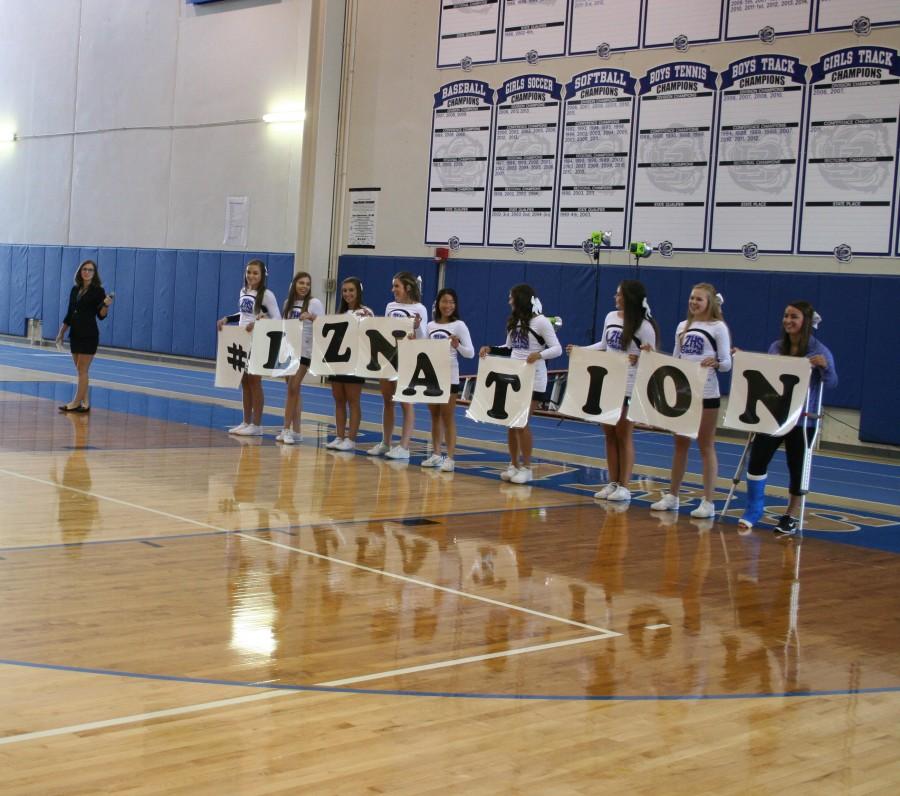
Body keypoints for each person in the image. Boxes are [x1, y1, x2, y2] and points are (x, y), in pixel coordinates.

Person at [739, 301, 837, 535]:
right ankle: (754, 508)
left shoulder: (819, 351)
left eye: (794, 317)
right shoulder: (776, 347)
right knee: (757, 459)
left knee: (797, 467)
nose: (788, 321)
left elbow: (832, 383)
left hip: (803, 420)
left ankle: (790, 516)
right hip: (774, 416)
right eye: (785, 316)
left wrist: (825, 368)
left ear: (805, 322)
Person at [570, 279, 658, 502]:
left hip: (629, 385)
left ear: (629, 297)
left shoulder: (645, 326)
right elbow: (603, 345)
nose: (615, 298)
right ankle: (613, 481)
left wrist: (640, 357)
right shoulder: (610, 317)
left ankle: (625, 486)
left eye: (619, 294)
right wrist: (580, 351)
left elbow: (651, 358)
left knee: (624, 434)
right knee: (609, 434)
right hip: (608, 383)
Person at [650, 284, 732, 518]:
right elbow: (676, 360)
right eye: (691, 298)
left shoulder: (718, 328)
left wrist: (715, 362)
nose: (694, 302)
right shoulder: (682, 327)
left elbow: (727, 364)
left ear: (710, 303)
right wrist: (651, 355)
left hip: (707, 393)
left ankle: (708, 501)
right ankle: (673, 495)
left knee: (706, 446)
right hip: (684, 394)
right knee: (680, 445)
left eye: (699, 299)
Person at [479, 283, 562, 485]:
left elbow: (557, 349)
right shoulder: (514, 322)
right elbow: (509, 348)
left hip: (534, 379)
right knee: (511, 422)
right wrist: (489, 349)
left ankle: (527, 467)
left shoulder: (541, 322)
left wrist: (539, 355)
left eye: (511, 298)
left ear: (521, 299)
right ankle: (514, 464)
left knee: (521, 422)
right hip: (515, 378)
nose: (509, 301)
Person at [368, 271, 428, 460]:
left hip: (408, 360)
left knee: (406, 402)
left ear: (407, 288)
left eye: (396, 286)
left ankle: (404, 446)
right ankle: (386, 442)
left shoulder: (420, 308)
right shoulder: (390, 306)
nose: (393, 290)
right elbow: (385, 330)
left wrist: (417, 327)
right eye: (393, 286)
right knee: (388, 401)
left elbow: (423, 338)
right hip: (389, 358)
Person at [217, 259, 280, 436]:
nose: (251, 276)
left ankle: (257, 424)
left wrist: (261, 322)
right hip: (242, 339)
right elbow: (244, 314)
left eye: (255, 273)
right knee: (244, 382)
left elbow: (277, 318)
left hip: (258, 341)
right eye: (249, 272)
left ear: (262, 276)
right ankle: (246, 421)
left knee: (254, 382)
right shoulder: (244, 291)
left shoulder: (267, 295)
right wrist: (227, 319)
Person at [421, 288, 474, 472]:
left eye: (452, 302)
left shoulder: (459, 326)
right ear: (438, 303)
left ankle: (450, 457)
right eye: (445, 301)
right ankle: (436, 454)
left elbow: (470, 353)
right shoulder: (430, 325)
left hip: (450, 376)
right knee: (434, 415)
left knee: (447, 416)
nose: (448, 305)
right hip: (432, 376)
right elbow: (426, 348)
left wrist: (457, 345)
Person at [55, 259, 114, 412]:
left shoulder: (98, 291)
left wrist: (106, 305)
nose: (87, 272)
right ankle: (85, 402)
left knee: (82, 369)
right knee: (80, 370)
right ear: (80, 272)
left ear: (94, 274)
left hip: (89, 334)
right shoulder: (75, 290)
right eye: (84, 269)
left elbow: (101, 315)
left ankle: (75, 402)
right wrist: (61, 332)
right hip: (75, 333)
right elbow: (69, 313)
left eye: (90, 270)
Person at [326, 277, 373, 451]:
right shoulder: (340, 314)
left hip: (355, 363)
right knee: (338, 399)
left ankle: (351, 439)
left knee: (353, 400)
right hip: (338, 361)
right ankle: (339, 436)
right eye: (344, 290)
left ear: (358, 292)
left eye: (351, 290)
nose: (347, 294)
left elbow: (370, 335)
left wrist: (367, 320)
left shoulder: (366, 312)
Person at [277, 271, 324, 444]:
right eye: (301, 283)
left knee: (293, 387)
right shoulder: (287, 304)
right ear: (294, 284)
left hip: (305, 352)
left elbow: (324, 326)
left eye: (307, 284)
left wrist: (312, 317)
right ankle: (297, 431)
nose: (304, 286)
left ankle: (286, 429)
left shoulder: (314, 303)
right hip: (290, 351)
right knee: (294, 390)